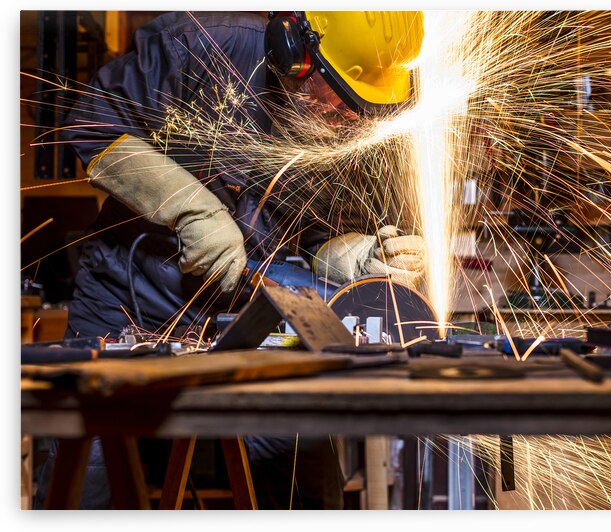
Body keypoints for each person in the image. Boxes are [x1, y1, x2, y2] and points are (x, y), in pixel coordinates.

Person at [34, 10, 425, 509]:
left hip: (256, 318)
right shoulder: (205, 47)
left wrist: (348, 257)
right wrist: (187, 207)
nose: (353, 120)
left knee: (299, 483)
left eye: (366, 110)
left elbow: (307, 234)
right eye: (343, 100)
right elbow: (92, 120)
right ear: (296, 55)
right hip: (130, 301)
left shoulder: (359, 125)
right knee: (84, 478)